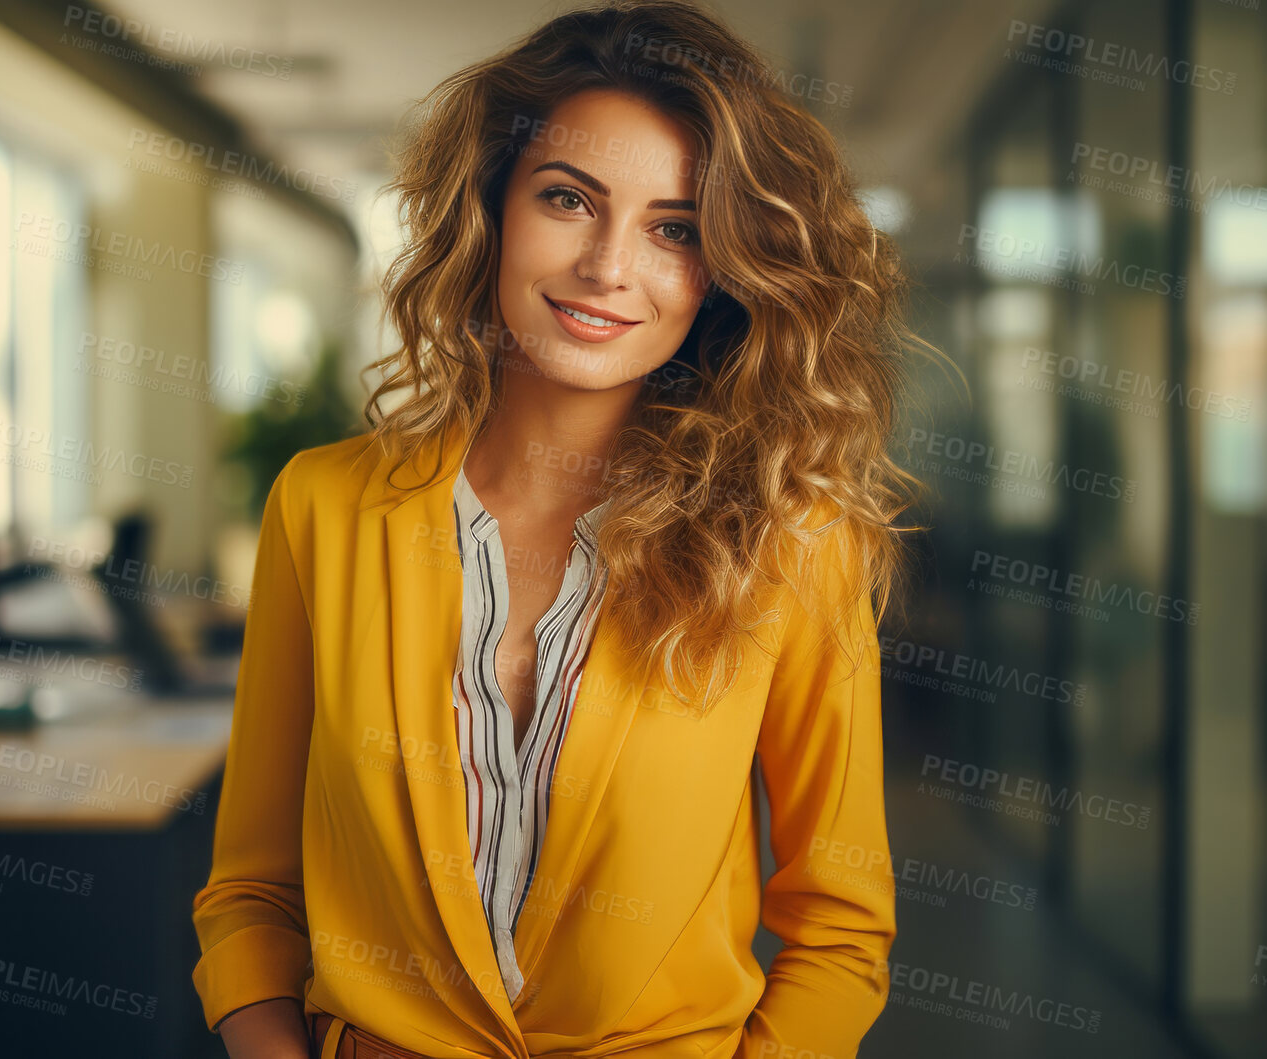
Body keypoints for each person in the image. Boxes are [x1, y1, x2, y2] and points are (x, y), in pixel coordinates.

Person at [191, 2, 932, 1056]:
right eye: (568, 200)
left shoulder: (791, 542)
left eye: (673, 228)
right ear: (489, 208)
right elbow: (250, 888)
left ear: (722, 265)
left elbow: (839, 925)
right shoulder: (323, 507)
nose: (606, 267)